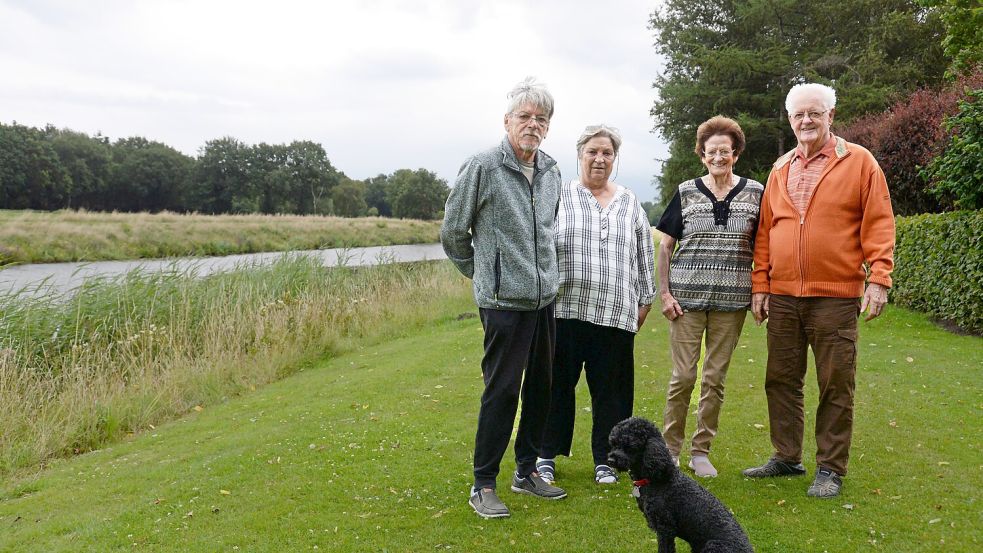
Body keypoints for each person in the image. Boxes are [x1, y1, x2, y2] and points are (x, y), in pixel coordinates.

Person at [743, 83, 895, 498]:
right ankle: (787, 457)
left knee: (835, 383)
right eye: (798, 115)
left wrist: (879, 278)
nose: (806, 121)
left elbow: (879, 222)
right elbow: (764, 232)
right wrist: (761, 284)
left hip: (836, 295)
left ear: (831, 115)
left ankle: (830, 468)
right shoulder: (779, 168)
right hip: (785, 295)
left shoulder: (859, 162)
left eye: (815, 113)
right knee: (781, 380)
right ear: (790, 121)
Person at [441, 77, 567, 519]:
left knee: (542, 388)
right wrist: (483, 277)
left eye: (541, 119)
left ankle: (527, 471)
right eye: (525, 117)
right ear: (507, 121)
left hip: (544, 300)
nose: (533, 125)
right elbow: (454, 232)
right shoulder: (482, 166)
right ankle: (483, 484)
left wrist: (545, 277)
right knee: (502, 392)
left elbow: (547, 230)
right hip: (503, 304)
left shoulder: (551, 169)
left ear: (548, 127)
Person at [534, 125, 656, 486]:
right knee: (555, 386)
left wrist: (645, 298)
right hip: (563, 311)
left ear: (614, 158)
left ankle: (608, 459)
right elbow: (540, 243)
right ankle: (544, 455)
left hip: (614, 312)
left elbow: (643, 251)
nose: (600, 159)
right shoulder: (559, 194)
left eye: (607, 153)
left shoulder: (629, 201)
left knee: (612, 391)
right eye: (593, 152)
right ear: (580, 155)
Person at [655, 116, 764, 478]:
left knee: (714, 379)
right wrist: (665, 294)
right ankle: (670, 451)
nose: (718, 157)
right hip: (685, 302)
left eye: (725, 151)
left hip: (732, 304)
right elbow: (665, 247)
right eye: (711, 151)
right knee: (684, 377)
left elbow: (763, 247)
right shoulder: (686, 192)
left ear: (736, 154)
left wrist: (761, 291)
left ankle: (700, 452)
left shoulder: (755, 193)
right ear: (702, 155)